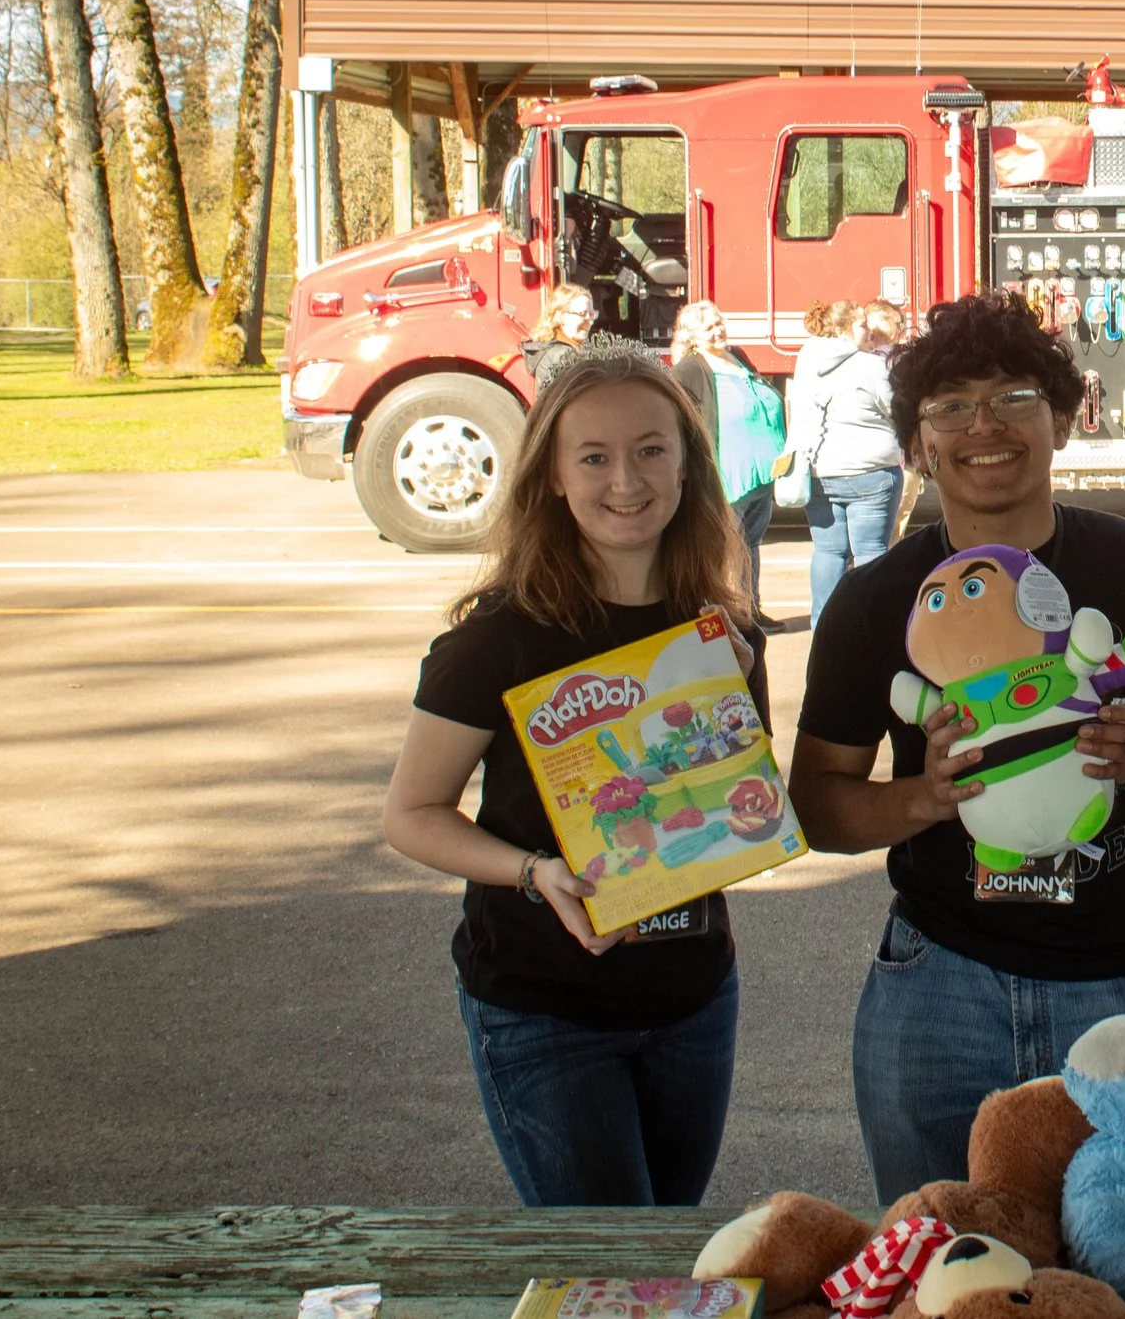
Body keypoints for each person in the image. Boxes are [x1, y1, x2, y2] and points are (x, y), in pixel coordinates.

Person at [788, 289, 1125, 1203]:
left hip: (1123, 972)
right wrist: (920, 797)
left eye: (1013, 397)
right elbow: (821, 805)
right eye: (951, 406)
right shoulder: (877, 598)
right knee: (946, 1266)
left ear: (1063, 419)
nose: (984, 426)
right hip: (938, 982)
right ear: (919, 440)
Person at [383, 340, 768, 1206]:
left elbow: (743, 804)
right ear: (553, 476)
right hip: (543, 1008)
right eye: (593, 456)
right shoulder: (496, 640)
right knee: (606, 1262)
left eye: (650, 450)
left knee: (666, 1245)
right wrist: (535, 872)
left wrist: (733, 707)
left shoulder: (720, 629)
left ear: (687, 465)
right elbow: (412, 813)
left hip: (693, 997)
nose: (624, 481)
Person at [670, 300, 788, 630]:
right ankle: (730, 615)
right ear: (692, 334)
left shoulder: (737, 356)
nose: (718, 330)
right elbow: (680, 423)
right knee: (727, 551)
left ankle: (751, 609)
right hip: (726, 477)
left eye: (719, 322)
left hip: (760, 477)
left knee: (750, 546)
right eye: (708, 326)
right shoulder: (690, 369)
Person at [799, 299, 905, 625]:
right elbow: (897, 412)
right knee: (870, 551)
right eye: (863, 325)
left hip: (819, 471)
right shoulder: (869, 365)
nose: (869, 332)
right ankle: (872, 629)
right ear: (847, 327)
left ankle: (824, 629)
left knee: (828, 553)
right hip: (870, 473)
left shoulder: (807, 359)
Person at [521, 283, 598, 386]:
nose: (590, 322)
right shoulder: (563, 356)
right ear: (560, 317)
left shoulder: (550, 351)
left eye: (592, 314)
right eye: (582, 314)